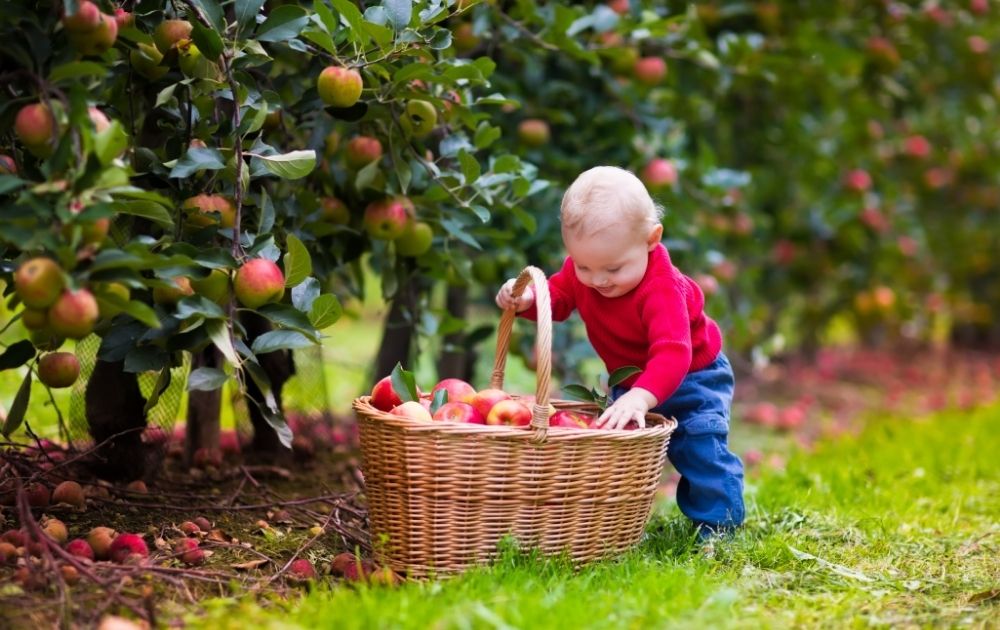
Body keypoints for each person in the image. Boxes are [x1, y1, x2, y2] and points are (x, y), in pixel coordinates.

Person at [495, 165, 744, 536]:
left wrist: (641, 398)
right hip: (634, 382)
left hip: (693, 377)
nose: (597, 280)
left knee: (698, 445)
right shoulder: (591, 272)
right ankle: (618, 522)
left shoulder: (662, 288)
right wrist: (527, 298)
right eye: (583, 266)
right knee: (620, 451)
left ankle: (717, 525)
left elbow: (674, 352)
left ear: (651, 239)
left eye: (612, 268)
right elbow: (560, 297)